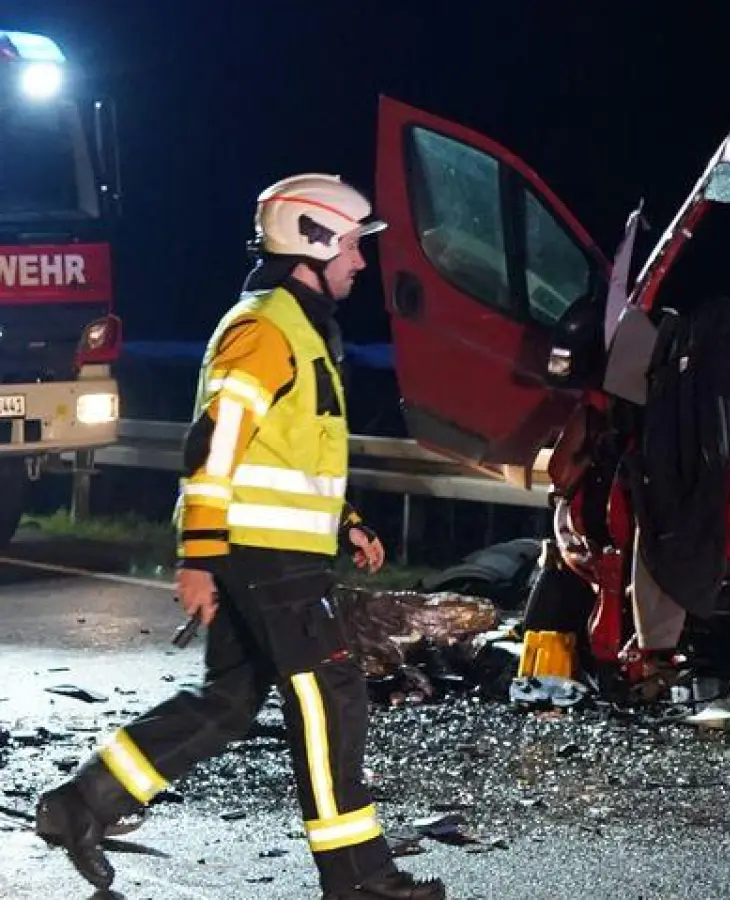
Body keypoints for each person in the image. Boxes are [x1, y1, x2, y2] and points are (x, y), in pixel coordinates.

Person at [33, 173, 446, 900]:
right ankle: (359, 880)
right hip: (264, 554)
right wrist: (198, 555)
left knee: (229, 700)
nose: (360, 261)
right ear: (310, 243)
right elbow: (215, 447)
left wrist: (344, 519)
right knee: (330, 697)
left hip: (273, 549)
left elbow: (288, 449)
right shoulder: (265, 329)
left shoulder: (296, 325)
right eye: (352, 246)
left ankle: (81, 806)